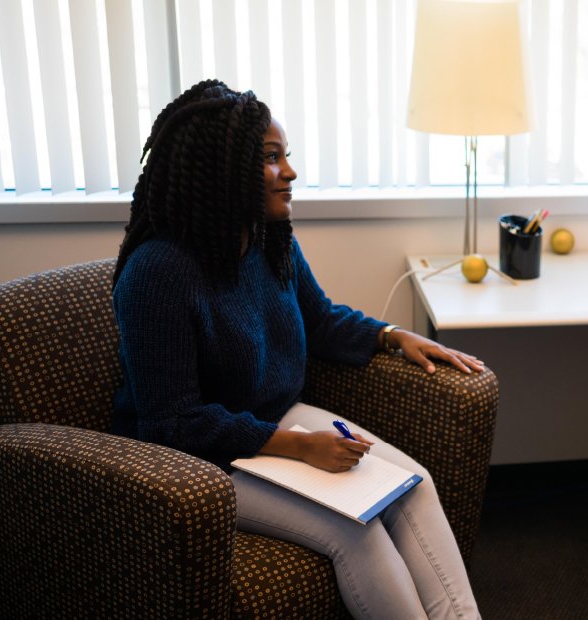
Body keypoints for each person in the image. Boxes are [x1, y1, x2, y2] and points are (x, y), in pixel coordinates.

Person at [111, 80, 485, 619]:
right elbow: (171, 424)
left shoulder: (267, 237)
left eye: (287, 156)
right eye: (270, 158)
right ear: (222, 170)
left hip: (272, 419)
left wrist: (391, 336)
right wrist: (295, 446)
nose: (289, 172)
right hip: (197, 463)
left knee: (412, 485)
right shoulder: (158, 273)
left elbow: (322, 319)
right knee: (356, 531)